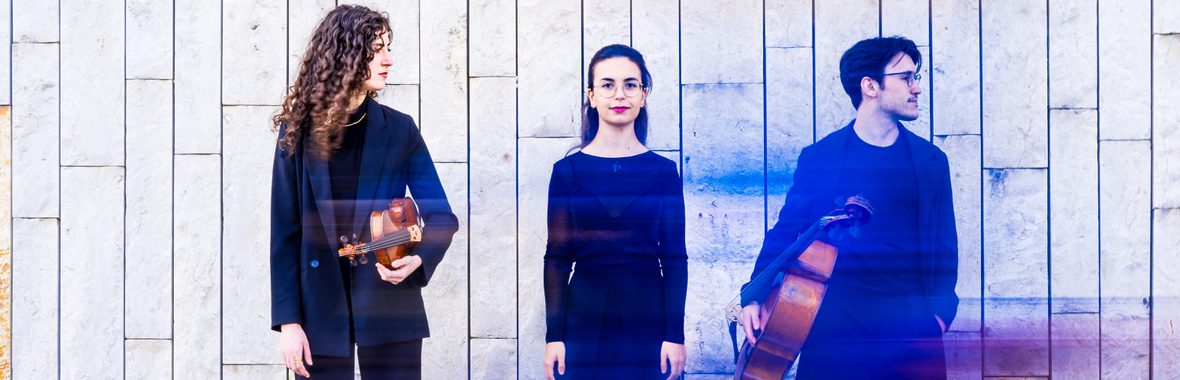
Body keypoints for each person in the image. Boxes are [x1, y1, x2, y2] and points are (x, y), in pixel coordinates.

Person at [739, 36, 959, 379]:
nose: (916, 88)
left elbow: (946, 245)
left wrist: (939, 316)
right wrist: (753, 295)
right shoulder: (821, 158)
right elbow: (787, 230)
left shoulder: (931, 162)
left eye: (916, 77)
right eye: (906, 78)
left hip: (910, 328)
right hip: (834, 327)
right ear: (870, 86)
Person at [269, 5, 458, 379]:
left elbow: (442, 217)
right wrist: (288, 322)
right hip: (318, 312)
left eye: (389, 47)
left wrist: (417, 261)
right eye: (376, 49)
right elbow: (285, 233)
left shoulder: (400, 130)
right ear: (345, 54)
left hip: (391, 307)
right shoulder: (297, 132)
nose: (388, 59)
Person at [541, 44, 688, 380]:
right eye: (607, 85)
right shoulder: (567, 172)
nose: (619, 94)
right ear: (591, 96)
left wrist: (674, 335)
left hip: (648, 317)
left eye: (630, 84)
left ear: (643, 94)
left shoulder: (664, 172)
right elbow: (557, 258)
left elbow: (675, 258)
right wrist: (554, 336)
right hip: (583, 318)